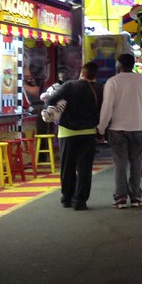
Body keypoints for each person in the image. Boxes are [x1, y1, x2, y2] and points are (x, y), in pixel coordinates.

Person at [97, 53, 142, 209]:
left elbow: (107, 107)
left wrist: (101, 128)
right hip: (139, 128)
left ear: (119, 65)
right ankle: (136, 197)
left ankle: (120, 198)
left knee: (120, 164)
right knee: (136, 163)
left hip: (117, 129)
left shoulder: (112, 82)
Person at [44, 61, 102, 211]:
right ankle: (80, 201)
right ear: (95, 75)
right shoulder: (98, 89)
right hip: (89, 132)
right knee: (84, 168)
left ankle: (67, 198)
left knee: (67, 167)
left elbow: (50, 100)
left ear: (82, 73)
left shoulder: (69, 85)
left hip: (67, 132)